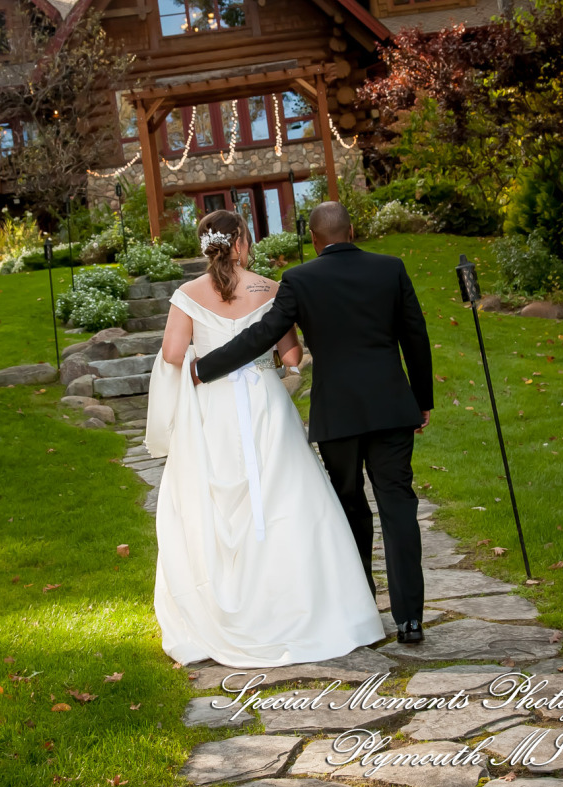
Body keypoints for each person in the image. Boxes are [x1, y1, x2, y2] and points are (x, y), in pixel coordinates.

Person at [145, 209, 384, 668]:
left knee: (212, 506)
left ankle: (223, 608)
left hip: (212, 410)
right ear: (241, 243)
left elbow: (174, 354)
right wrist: (287, 367)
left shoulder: (187, 294)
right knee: (286, 497)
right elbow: (290, 353)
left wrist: (207, 351)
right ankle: (305, 607)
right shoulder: (269, 289)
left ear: (206, 245)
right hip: (265, 406)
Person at [193, 201, 433, 645]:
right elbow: (414, 335)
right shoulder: (390, 269)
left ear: (315, 240)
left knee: (349, 505)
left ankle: (362, 598)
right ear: (352, 229)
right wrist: (421, 400)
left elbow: (260, 336)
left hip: (337, 413)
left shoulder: (300, 280)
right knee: (398, 505)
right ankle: (410, 619)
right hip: (390, 408)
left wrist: (206, 367)